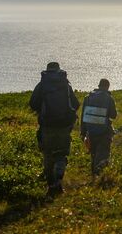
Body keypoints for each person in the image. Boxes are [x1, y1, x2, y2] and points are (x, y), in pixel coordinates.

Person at [30, 62, 79, 196]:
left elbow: (33, 103)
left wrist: (43, 109)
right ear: (58, 70)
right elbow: (76, 104)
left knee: (48, 155)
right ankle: (58, 181)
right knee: (61, 153)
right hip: (64, 126)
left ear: (47, 71)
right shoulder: (66, 85)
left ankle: (51, 186)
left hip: (47, 126)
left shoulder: (42, 85)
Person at [80, 78, 117, 176]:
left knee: (94, 154)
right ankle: (99, 177)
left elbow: (83, 116)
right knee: (102, 155)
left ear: (98, 85)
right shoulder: (109, 98)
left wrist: (83, 132)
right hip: (104, 132)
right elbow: (113, 115)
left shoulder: (87, 97)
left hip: (90, 132)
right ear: (107, 87)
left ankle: (94, 176)